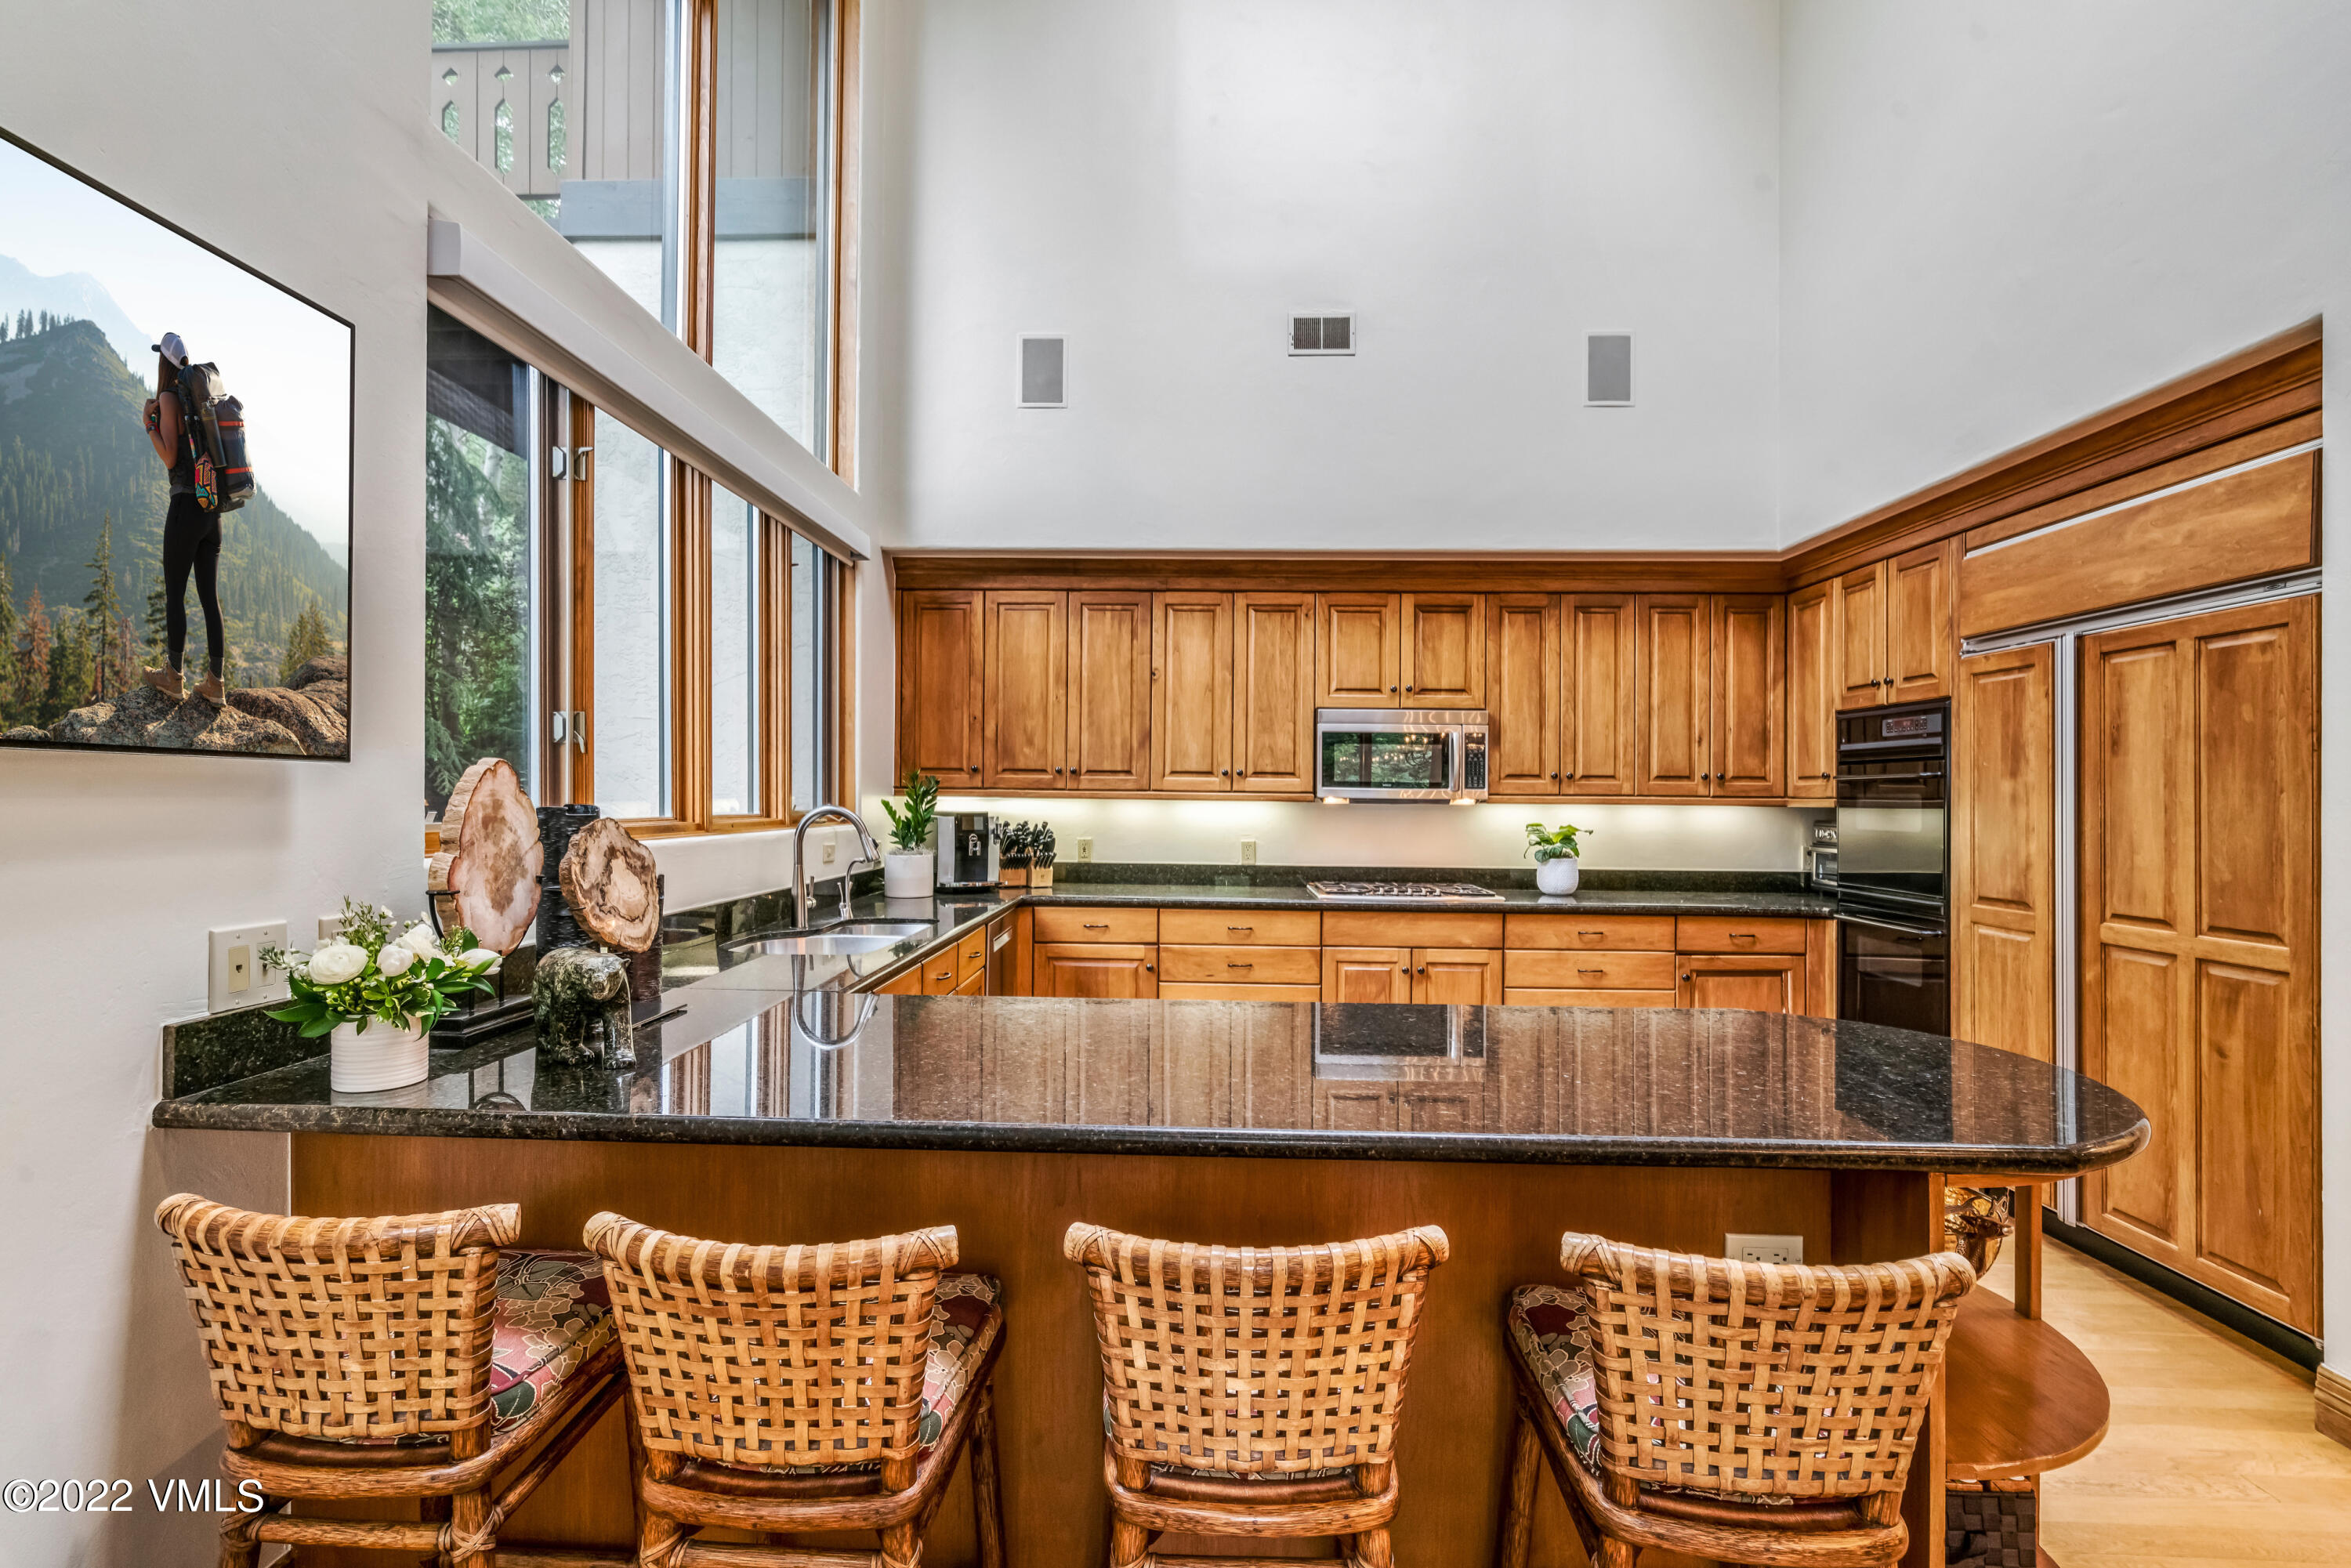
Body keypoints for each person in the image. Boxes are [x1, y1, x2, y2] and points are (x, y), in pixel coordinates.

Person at [139, 331, 225, 704]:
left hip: (186, 508)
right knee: (209, 597)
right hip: (212, 508)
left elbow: (171, 457)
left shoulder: (169, 397)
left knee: (175, 591)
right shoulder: (197, 397)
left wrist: (149, 423)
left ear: (164, 363)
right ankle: (216, 684)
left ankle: (174, 677)